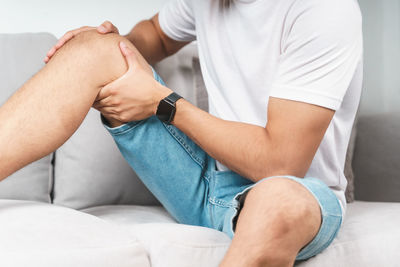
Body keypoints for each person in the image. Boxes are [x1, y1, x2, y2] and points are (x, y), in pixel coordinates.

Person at [0, 0, 363, 266]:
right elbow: (156, 34)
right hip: (203, 180)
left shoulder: (323, 10)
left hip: (295, 191)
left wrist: (165, 103)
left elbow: (280, 162)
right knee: (94, 49)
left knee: (278, 200)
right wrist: (113, 45)